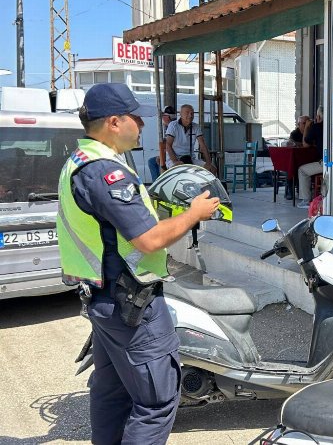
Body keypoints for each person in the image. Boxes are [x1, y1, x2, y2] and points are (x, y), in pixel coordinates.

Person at [56, 83, 220, 443]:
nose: (143, 126)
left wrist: (163, 212)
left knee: (111, 393)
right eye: (136, 119)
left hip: (105, 300)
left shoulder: (80, 161)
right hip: (132, 305)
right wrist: (194, 214)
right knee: (156, 402)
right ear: (114, 122)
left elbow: (115, 227)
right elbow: (148, 240)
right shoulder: (105, 172)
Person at [165, 104, 217, 175]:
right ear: (180, 114)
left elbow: (202, 145)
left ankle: (203, 186)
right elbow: (168, 145)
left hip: (190, 159)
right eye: (187, 112)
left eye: (192, 113)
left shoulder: (196, 126)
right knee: (178, 169)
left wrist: (208, 162)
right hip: (175, 159)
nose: (190, 115)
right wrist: (175, 161)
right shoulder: (173, 125)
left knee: (212, 168)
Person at [297, 110, 324, 209]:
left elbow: (305, 144)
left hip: (326, 163)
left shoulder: (316, 127)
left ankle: (305, 200)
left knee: (302, 170)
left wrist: (308, 127)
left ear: (319, 117)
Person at [147, 106, 175, 181]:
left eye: (163, 116)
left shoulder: (172, 127)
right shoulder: (168, 126)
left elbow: (172, 146)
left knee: (153, 162)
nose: (162, 118)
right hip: (169, 154)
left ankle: (157, 186)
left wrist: (163, 156)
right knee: (152, 161)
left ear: (167, 117)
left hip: (173, 156)